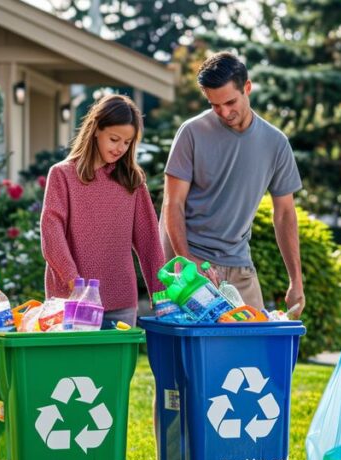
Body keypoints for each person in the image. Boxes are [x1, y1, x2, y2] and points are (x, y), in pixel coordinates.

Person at [161, 51, 304, 317]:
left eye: (230, 102)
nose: (224, 112)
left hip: (238, 264)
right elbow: (173, 203)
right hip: (190, 264)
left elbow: (284, 213)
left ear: (247, 87)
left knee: (254, 348)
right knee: (191, 353)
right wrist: (187, 261)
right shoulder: (191, 133)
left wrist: (296, 280)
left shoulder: (276, 143)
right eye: (215, 105)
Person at [41, 94, 166, 328]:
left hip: (120, 301)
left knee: (115, 365)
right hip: (70, 303)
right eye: (114, 139)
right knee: (72, 366)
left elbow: (149, 242)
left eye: (127, 142)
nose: (120, 148)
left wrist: (162, 298)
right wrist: (73, 282)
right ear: (96, 129)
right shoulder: (63, 175)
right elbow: (51, 233)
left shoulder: (132, 182)